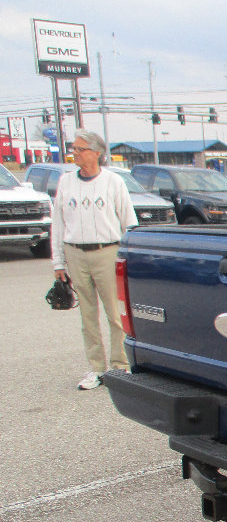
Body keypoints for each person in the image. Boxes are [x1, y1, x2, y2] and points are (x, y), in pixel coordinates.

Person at [51, 129, 138, 390]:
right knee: (87, 315)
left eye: (80, 149)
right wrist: (58, 262)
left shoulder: (113, 182)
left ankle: (120, 365)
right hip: (75, 252)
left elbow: (129, 222)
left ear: (97, 153)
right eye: (74, 149)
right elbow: (58, 224)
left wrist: (128, 256)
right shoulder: (66, 182)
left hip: (107, 252)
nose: (75, 153)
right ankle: (96, 368)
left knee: (115, 312)